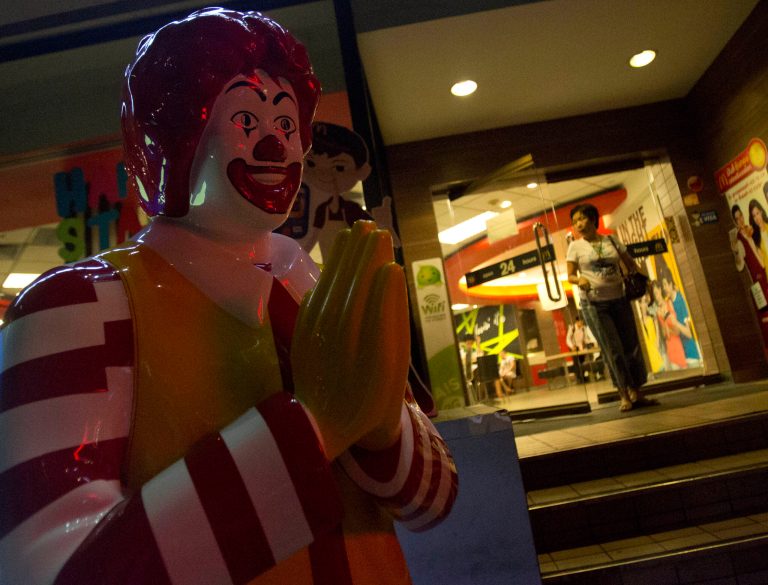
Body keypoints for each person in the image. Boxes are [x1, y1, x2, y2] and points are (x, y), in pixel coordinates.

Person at [0, 9, 456, 585]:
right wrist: (313, 429)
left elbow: (434, 498)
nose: (276, 145)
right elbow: (49, 570)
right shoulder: (76, 307)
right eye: (245, 119)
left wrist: (383, 427)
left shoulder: (311, 282)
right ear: (172, 138)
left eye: (286, 123)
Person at [566, 203, 656, 412]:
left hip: (620, 299)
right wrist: (579, 280)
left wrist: (646, 282)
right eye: (575, 221)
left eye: (581, 218)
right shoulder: (575, 247)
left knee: (631, 347)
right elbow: (570, 275)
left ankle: (637, 392)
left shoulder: (611, 240)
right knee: (612, 349)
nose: (578, 224)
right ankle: (623, 394)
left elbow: (630, 264)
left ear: (593, 219)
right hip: (595, 304)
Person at [660, 269, 701, 367]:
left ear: (671, 284)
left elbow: (689, 334)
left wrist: (676, 323)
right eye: (663, 285)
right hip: (680, 356)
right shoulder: (668, 303)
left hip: (691, 355)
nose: (664, 288)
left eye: (665, 284)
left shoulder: (680, 299)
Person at [651, 279, 687, 370]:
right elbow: (665, 334)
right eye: (654, 294)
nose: (656, 296)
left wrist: (666, 320)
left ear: (660, 289)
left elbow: (677, 331)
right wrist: (664, 321)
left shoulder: (669, 303)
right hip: (670, 347)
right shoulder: (657, 312)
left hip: (678, 345)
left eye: (656, 292)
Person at [565, 316, 597, 383]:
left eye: (582, 321)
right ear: (577, 322)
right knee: (576, 363)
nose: (581, 323)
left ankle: (583, 377)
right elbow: (568, 339)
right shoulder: (572, 328)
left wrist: (592, 342)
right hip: (574, 348)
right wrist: (572, 346)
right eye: (580, 321)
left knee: (582, 362)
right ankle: (579, 378)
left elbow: (585, 339)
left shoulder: (583, 328)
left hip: (581, 347)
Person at [749, 198, 768, 282]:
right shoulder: (756, 238)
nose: (757, 218)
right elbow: (762, 264)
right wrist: (750, 240)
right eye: (754, 216)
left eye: (757, 213)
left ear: (761, 211)